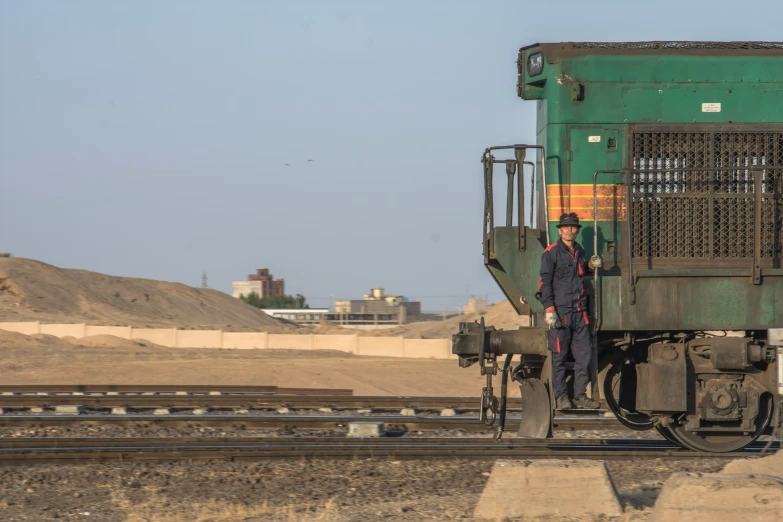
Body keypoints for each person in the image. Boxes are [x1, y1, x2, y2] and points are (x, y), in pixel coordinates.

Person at [538, 212, 602, 410]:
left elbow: (580, 272)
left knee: (584, 356)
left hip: (579, 312)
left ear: (577, 230)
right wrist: (549, 309)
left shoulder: (579, 251)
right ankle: (561, 397)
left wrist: (590, 265)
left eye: (573, 227)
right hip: (560, 313)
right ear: (560, 230)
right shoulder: (551, 253)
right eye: (566, 227)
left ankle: (580, 395)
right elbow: (544, 282)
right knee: (559, 356)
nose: (570, 230)